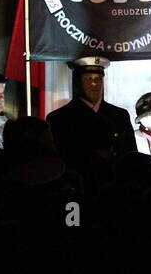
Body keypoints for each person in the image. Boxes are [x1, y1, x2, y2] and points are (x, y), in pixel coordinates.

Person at [46, 56, 133, 187]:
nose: (95, 84)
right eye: (89, 79)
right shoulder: (59, 118)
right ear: (77, 82)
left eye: (99, 79)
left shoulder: (120, 115)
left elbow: (130, 155)